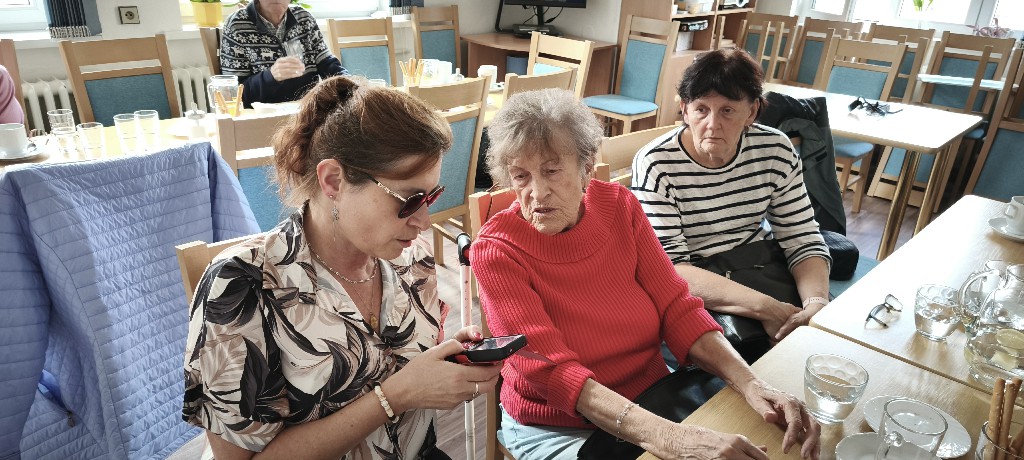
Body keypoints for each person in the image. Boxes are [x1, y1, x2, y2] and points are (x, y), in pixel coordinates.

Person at [472, 88, 820, 460]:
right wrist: (674, 440)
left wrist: (752, 383)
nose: (537, 192)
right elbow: (550, 371)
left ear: (587, 167)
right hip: (562, 427)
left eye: (552, 171)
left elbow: (677, 307)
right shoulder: (496, 252)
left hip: (655, 395)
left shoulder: (619, 206)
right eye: (521, 176)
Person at [182, 76, 502, 460]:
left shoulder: (411, 261)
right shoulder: (242, 286)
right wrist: (395, 396)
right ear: (333, 180)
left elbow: (402, 371)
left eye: (430, 197)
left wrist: (445, 363)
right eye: (409, 200)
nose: (423, 222)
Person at [631, 49, 832, 343]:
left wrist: (816, 305)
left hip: (759, 266)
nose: (712, 124)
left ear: (751, 111)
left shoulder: (775, 150)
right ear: (684, 110)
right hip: (700, 283)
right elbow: (672, 269)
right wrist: (767, 309)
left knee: (825, 339)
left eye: (727, 110)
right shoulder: (657, 163)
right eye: (701, 109)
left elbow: (801, 237)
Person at [220, 0, 348, 107]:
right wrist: (270, 76)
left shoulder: (304, 18)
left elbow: (329, 66)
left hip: (306, 113)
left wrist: (352, 85)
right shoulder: (237, 25)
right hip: (262, 118)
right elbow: (233, 94)